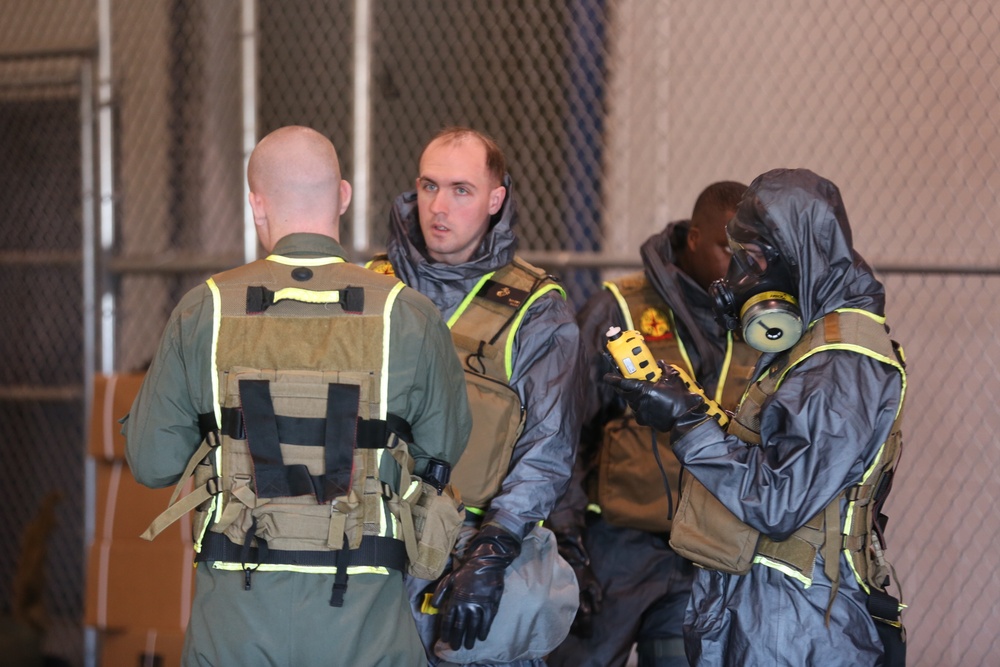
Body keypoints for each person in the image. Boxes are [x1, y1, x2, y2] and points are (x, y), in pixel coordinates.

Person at [123, 125, 472, 667]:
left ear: (256, 205)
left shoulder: (204, 310)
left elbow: (152, 462)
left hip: (234, 624)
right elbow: (442, 451)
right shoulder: (408, 315)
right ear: (344, 196)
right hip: (366, 627)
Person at [607, 168, 907, 666]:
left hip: (799, 626)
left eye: (753, 259)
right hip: (768, 611)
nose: (738, 280)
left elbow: (780, 500)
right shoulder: (814, 344)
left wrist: (689, 427)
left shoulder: (843, 361)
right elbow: (775, 453)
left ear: (797, 257)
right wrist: (689, 405)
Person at [368, 126, 582, 667]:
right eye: (429, 186)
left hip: (472, 543)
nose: (439, 206)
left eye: (461, 190)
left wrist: (494, 548)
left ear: (495, 198)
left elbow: (548, 445)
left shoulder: (537, 308)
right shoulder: (371, 286)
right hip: (373, 539)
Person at [546, 181, 756, 667]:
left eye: (750, 252)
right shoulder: (618, 310)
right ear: (694, 239)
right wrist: (567, 542)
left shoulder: (758, 323)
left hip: (708, 553)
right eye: (729, 250)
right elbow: (563, 431)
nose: (741, 266)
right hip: (616, 548)